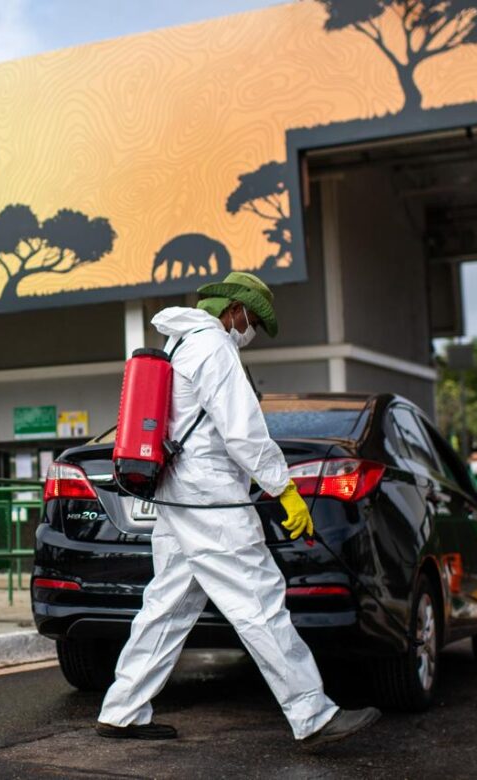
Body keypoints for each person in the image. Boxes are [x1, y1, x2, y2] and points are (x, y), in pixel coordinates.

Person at [96, 271, 380, 751]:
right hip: (209, 498)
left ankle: (122, 710)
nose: (249, 331)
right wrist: (284, 489)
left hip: (176, 494)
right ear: (234, 310)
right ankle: (312, 713)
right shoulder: (215, 348)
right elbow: (243, 432)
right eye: (251, 321)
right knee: (259, 600)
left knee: (166, 606)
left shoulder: (180, 345)